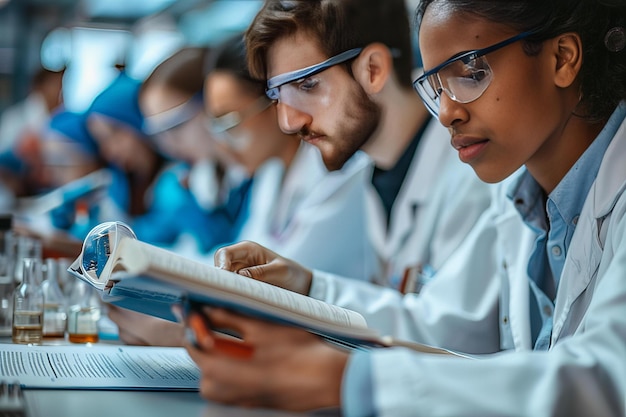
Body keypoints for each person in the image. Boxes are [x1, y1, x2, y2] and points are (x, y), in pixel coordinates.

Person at [184, 0, 626, 415]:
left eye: (470, 72)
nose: (447, 112)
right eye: (436, 85)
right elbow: (446, 326)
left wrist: (348, 381)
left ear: (563, 58)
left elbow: (609, 379)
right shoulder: (518, 201)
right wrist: (310, 288)